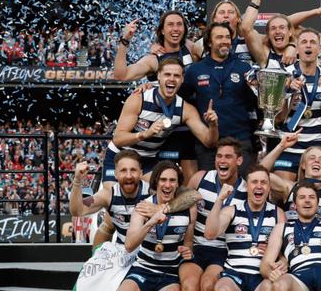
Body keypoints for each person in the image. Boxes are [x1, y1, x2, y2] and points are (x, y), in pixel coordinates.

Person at [73, 161, 195, 291]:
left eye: (172, 180)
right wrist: (150, 222)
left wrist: (187, 250)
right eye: (163, 180)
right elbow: (129, 244)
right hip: (143, 268)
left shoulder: (186, 207)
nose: (167, 185)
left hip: (169, 274)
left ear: (178, 184)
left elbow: (189, 242)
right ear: (155, 183)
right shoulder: (143, 207)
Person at [155, 138, 248, 291]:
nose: (222, 160)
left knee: (208, 287)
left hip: (222, 251)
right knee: (190, 285)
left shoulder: (247, 190)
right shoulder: (200, 178)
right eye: (219, 156)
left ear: (238, 160)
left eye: (228, 156)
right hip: (195, 246)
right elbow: (180, 202)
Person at [50, 151, 150, 291]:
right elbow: (78, 211)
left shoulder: (153, 190)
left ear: (140, 172)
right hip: (122, 250)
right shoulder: (110, 193)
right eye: (123, 170)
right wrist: (78, 181)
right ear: (116, 173)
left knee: (116, 278)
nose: (128, 175)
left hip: (146, 253)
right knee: (91, 268)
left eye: (133, 170)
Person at [113, 11, 201, 182]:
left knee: (191, 184)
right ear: (161, 30)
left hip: (188, 126)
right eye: (170, 25)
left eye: (179, 24)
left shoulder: (193, 50)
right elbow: (121, 75)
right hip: (162, 131)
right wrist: (125, 41)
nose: (175, 29)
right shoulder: (153, 59)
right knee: (162, 183)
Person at [103, 58, 218, 189]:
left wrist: (213, 125)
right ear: (158, 76)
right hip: (119, 156)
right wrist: (145, 134)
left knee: (166, 191)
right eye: (167, 74)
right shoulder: (139, 98)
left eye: (176, 76)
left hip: (147, 161)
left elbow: (209, 141)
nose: (172, 79)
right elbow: (118, 139)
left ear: (182, 79)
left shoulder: (186, 110)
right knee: (112, 197)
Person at [181, 22, 257, 175]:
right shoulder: (195, 70)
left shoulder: (244, 68)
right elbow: (181, 99)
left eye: (228, 37)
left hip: (240, 140)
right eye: (219, 37)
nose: (225, 41)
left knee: (240, 189)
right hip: (209, 143)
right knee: (209, 191)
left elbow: (255, 103)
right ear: (209, 41)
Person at [271, 29, 321, 180]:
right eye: (304, 42)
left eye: (313, 42)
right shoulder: (283, 75)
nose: (308, 46)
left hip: (316, 147)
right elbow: (277, 119)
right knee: (282, 190)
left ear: (319, 50)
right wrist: (288, 93)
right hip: (288, 144)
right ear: (297, 48)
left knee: (313, 192)